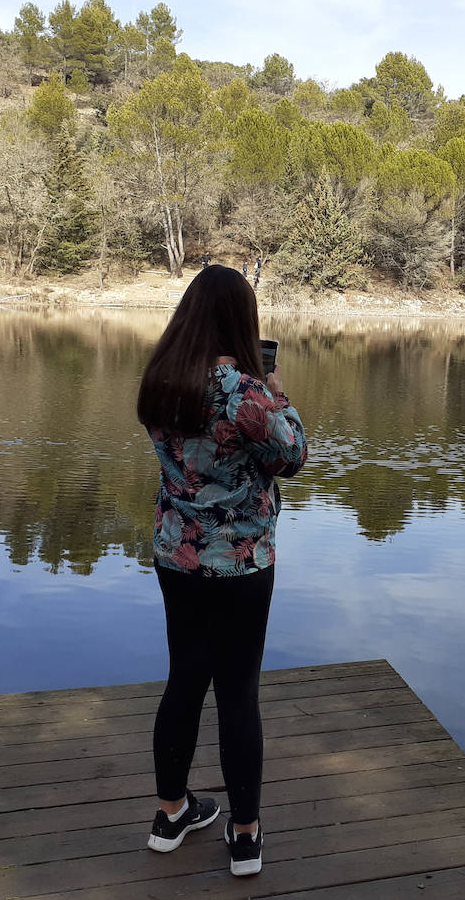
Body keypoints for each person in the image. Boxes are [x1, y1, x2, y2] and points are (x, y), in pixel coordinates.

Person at [136, 266, 308, 877]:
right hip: (241, 563)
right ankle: (244, 836)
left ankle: (170, 814)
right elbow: (292, 455)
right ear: (241, 319)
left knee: (184, 679)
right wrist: (276, 385)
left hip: (176, 556)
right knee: (238, 692)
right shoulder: (244, 391)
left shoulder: (160, 380)